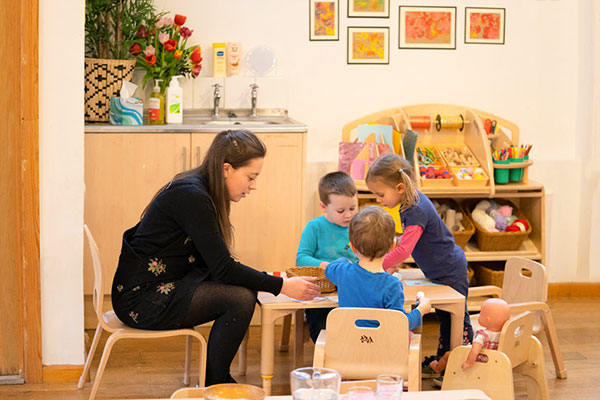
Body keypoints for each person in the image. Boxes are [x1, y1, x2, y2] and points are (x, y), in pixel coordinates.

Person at [111, 130, 320, 386]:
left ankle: (216, 379)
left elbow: (218, 265)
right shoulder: (193, 196)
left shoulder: (199, 187)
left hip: (162, 285)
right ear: (227, 169)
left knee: (244, 289)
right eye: (251, 177)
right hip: (142, 299)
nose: (253, 185)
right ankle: (216, 383)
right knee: (240, 298)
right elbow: (224, 269)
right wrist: (281, 285)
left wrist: (266, 279)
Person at [365, 153, 474, 377]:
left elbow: (405, 250)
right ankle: (444, 361)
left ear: (399, 188)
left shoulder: (415, 209)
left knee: (456, 320)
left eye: (380, 194)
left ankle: (460, 367)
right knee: (446, 319)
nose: (378, 199)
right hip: (439, 269)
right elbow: (406, 241)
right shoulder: (410, 203)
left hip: (449, 269)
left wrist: (377, 264)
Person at [325, 206, 432, 330]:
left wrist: (345, 261)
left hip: (347, 346)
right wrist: (421, 310)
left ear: (353, 248)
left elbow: (329, 268)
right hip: (380, 348)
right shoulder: (392, 285)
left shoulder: (343, 272)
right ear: (392, 246)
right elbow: (400, 324)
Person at [296, 171, 359, 342]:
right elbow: (301, 258)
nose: (348, 215)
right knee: (324, 329)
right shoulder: (315, 227)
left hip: (354, 293)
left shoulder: (359, 226)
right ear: (323, 207)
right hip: (322, 295)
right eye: (340, 210)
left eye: (353, 208)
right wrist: (328, 266)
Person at [461, 298, 511, 371]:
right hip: (496, 361)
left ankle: (439, 370)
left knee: (450, 354)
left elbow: (474, 351)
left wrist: (468, 363)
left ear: (487, 320)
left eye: (480, 313)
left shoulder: (482, 336)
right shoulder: (505, 333)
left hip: (482, 362)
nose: (479, 315)